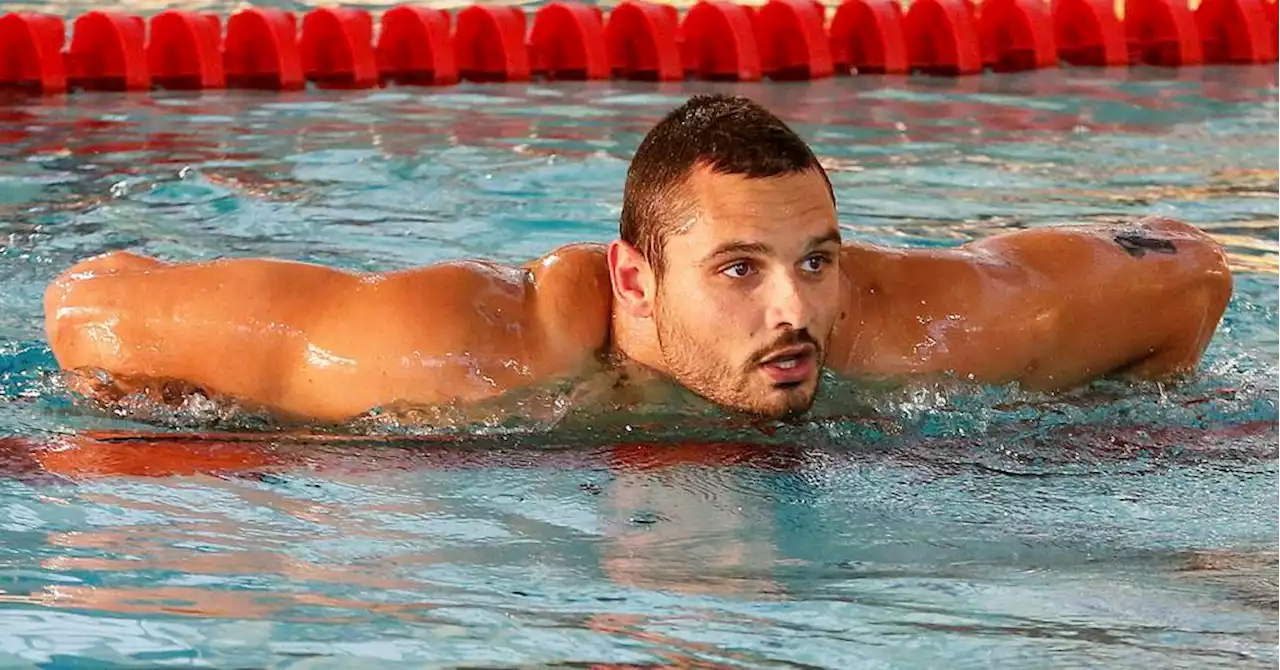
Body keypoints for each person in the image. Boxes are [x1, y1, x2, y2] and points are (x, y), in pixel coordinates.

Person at [43, 94, 1233, 426]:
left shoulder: (921, 324)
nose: (796, 312)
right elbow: (87, 306)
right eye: (737, 270)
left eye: (815, 259)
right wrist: (166, 442)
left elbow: (1185, 268)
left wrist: (1120, 418)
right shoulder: (443, 353)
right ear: (632, 280)